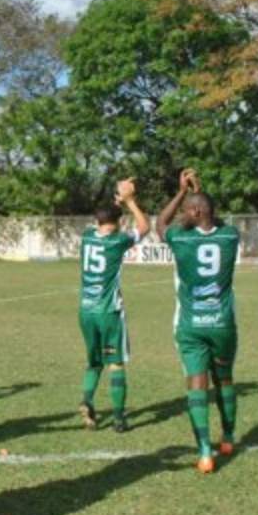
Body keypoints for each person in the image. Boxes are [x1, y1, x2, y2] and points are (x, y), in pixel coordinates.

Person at [156, 169, 240, 474]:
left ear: (194, 211)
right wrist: (197, 197)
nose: (182, 214)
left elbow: (160, 224)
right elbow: (211, 220)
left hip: (191, 325)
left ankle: (205, 451)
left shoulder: (181, 238)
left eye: (186, 210)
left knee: (197, 383)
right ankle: (228, 437)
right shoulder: (231, 236)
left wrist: (181, 191)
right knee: (225, 379)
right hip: (222, 323)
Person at [77, 179, 150, 433]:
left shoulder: (87, 237)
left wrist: (115, 204)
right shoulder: (118, 241)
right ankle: (119, 418)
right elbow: (144, 226)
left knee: (94, 362)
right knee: (116, 363)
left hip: (85, 311)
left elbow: (105, 218)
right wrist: (129, 201)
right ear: (118, 222)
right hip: (109, 311)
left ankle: (87, 401)